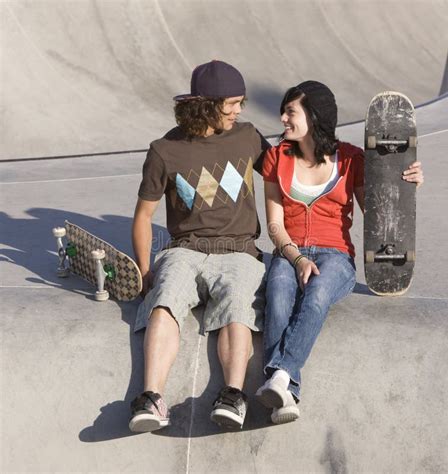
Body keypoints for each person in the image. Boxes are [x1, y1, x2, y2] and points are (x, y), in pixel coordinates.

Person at [255, 81, 424, 424]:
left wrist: (405, 182)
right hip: (290, 251)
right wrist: (298, 259)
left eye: (291, 111)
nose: (283, 119)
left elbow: (379, 213)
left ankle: (280, 376)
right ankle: (286, 391)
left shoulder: (349, 159)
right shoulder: (276, 159)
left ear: (314, 117)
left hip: (335, 255)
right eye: (284, 111)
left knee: (316, 295)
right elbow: (275, 225)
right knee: (279, 292)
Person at [129, 60, 270, 432]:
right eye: (232, 103)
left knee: (239, 306)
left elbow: (293, 170)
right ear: (207, 105)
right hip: (185, 250)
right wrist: (145, 270)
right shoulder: (164, 150)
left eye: (241, 103)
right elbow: (143, 216)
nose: (239, 110)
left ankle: (232, 394)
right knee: (163, 301)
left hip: (239, 250)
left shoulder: (248, 137)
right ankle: (151, 397)